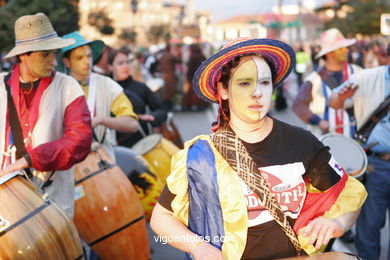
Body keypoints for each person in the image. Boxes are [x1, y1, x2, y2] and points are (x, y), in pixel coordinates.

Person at [150, 38, 367, 259]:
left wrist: (339, 222)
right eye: (245, 83)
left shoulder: (301, 141)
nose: (257, 93)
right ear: (223, 90)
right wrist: (198, 247)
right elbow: (161, 218)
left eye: (264, 82)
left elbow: (347, 193)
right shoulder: (201, 156)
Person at [0, 13, 92, 218]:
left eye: (54, 53)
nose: (53, 60)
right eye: (45, 54)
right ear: (23, 55)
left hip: (53, 203)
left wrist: (31, 159)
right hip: (6, 204)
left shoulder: (68, 86)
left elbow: (80, 139)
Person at [329, 54, 390, 260]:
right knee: (369, 226)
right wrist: (341, 98)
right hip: (375, 164)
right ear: (386, 56)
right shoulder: (367, 77)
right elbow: (334, 101)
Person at [61, 31, 138, 160]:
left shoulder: (107, 84)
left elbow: (132, 124)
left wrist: (101, 120)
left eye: (89, 56)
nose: (87, 62)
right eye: (79, 58)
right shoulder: (59, 86)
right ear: (67, 62)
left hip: (101, 162)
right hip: (66, 162)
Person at [292, 28, 362, 138]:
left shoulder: (357, 72)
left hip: (354, 139)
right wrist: (318, 121)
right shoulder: (314, 79)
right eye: (341, 48)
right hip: (326, 141)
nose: (346, 50)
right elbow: (298, 105)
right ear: (330, 53)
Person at [109, 48, 167, 148]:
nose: (125, 66)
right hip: (114, 146)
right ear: (110, 66)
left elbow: (162, 110)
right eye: (120, 63)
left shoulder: (140, 87)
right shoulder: (106, 88)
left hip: (141, 145)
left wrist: (153, 117)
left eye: (127, 62)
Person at [181, 44, 209, 111]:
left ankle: (187, 105)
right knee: (200, 91)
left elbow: (190, 69)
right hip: (201, 77)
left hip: (193, 77)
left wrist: (188, 77)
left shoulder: (193, 57)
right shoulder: (202, 56)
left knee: (190, 92)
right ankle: (201, 105)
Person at [158, 44, 179, 111]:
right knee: (169, 91)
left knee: (166, 91)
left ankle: (167, 104)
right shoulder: (169, 55)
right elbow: (178, 60)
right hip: (169, 75)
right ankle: (168, 105)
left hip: (164, 74)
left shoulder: (163, 56)